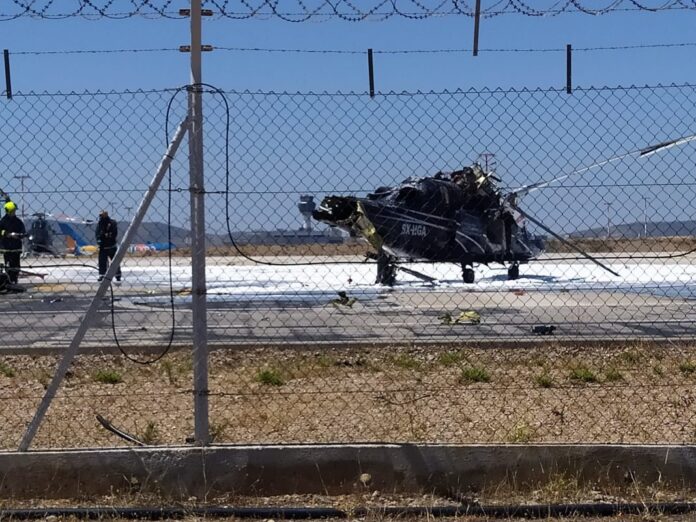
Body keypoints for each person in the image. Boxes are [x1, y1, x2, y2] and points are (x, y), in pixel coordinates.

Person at [0, 201, 26, 284]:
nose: (14, 213)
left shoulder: (18, 222)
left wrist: (19, 235)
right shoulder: (3, 221)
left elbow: (23, 232)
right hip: (6, 248)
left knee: (16, 265)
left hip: (16, 248)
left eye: (14, 211)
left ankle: (15, 280)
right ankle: (9, 280)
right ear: (8, 211)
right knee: (8, 265)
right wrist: (7, 234)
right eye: (13, 211)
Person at [96, 210, 122, 282]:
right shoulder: (100, 224)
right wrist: (99, 240)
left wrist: (108, 237)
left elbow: (114, 234)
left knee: (115, 262)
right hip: (103, 247)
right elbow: (97, 233)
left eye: (102, 215)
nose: (101, 217)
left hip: (111, 246)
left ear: (106, 215)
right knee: (102, 262)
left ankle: (118, 276)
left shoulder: (112, 223)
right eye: (100, 215)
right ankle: (102, 275)